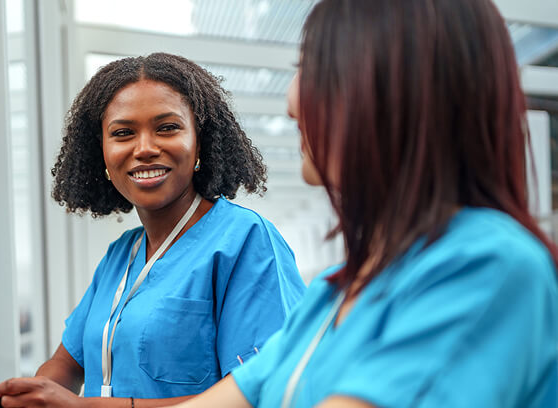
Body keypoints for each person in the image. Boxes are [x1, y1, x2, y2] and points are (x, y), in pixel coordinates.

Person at [172, 1, 558, 407]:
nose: (291, 101)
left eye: (313, 67)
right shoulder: (329, 295)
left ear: (400, 88)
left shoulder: (488, 266)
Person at [0, 53, 306, 407]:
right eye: (123, 133)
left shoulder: (246, 240)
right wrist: (27, 396)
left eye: (167, 127)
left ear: (199, 142)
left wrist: (82, 407)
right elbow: (67, 363)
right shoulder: (121, 255)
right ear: (103, 155)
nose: (145, 149)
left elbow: (266, 391)